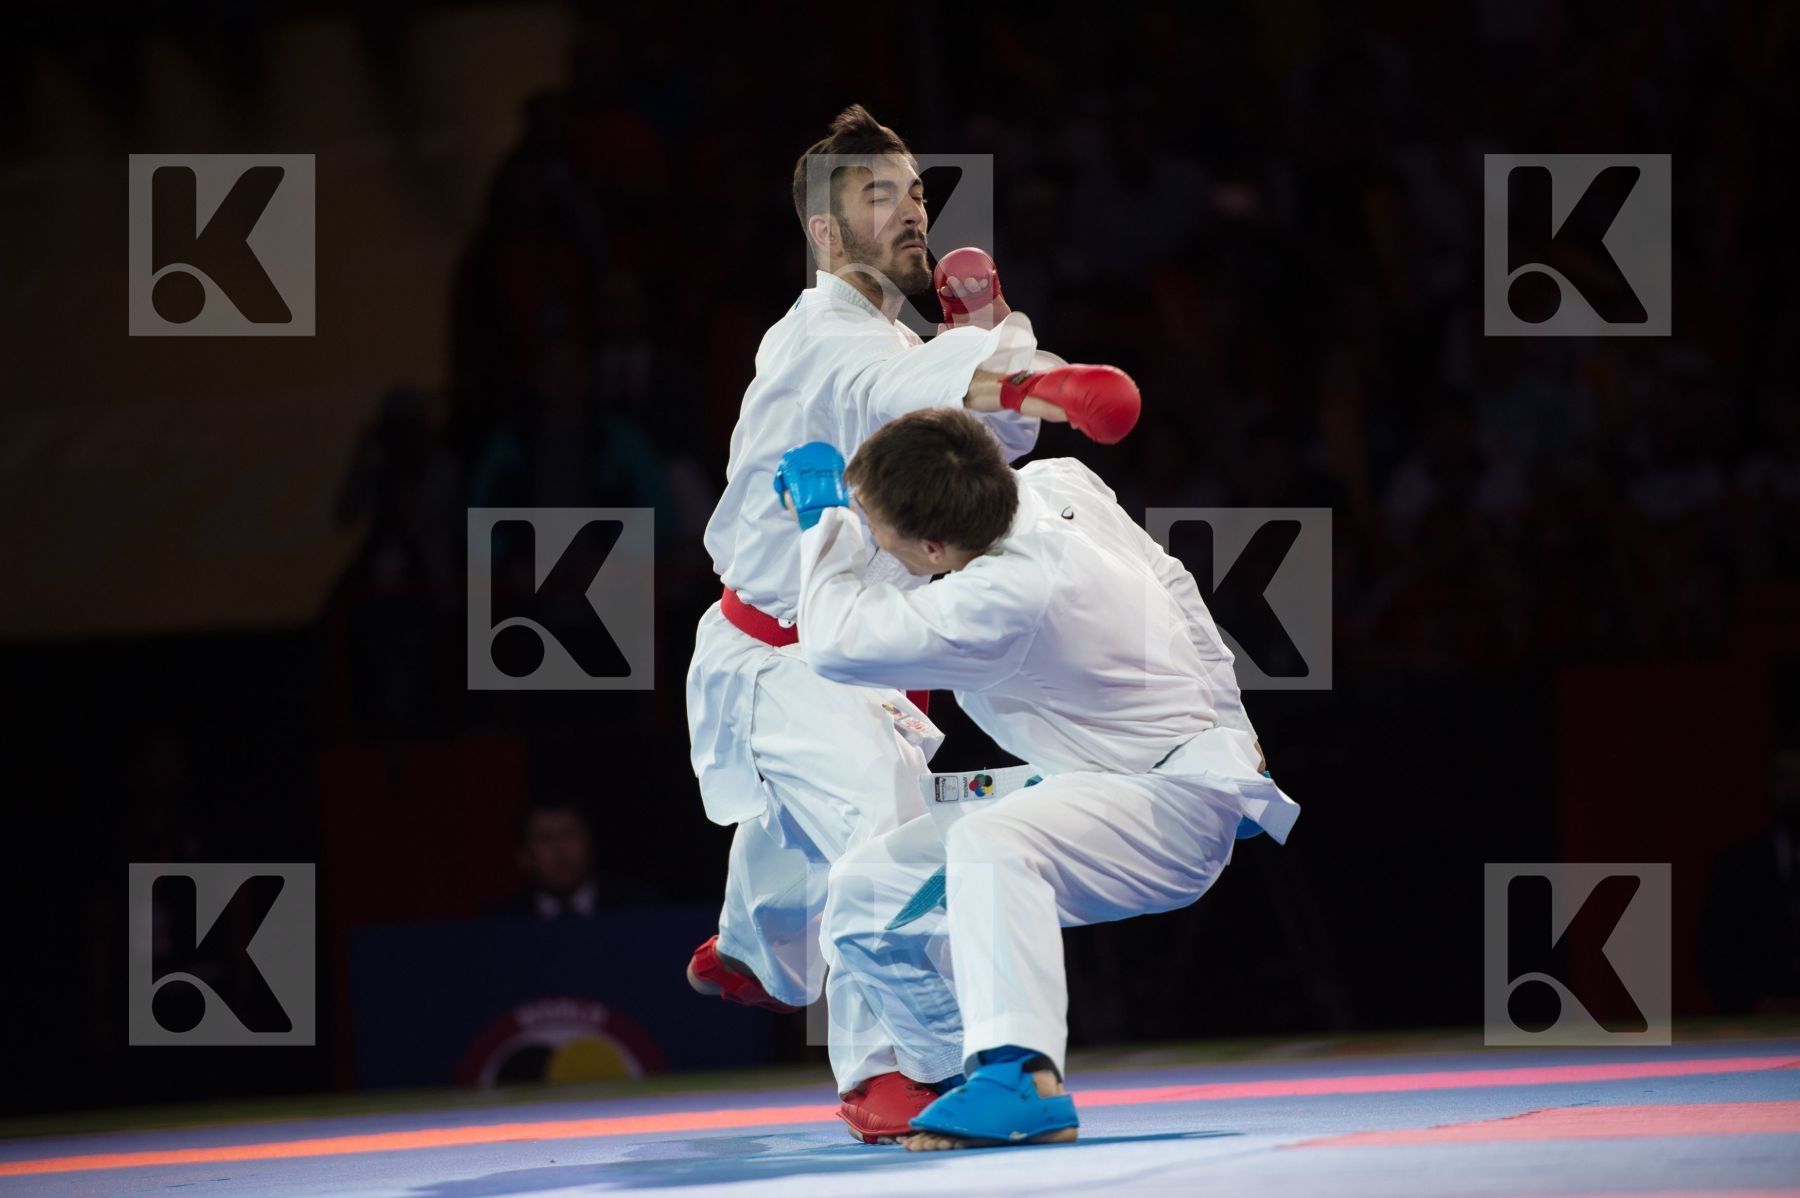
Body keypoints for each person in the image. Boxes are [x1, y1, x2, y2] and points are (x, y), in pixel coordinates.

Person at [683, 104, 1136, 1142]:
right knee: (880, 841)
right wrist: (1030, 372)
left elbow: (973, 443)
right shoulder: (817, 345)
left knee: (818, 819)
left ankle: (758, 943)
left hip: (861, 648)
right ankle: (895, 1071)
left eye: (917, 194)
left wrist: (998, 352)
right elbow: (901, 385)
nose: (910, 214)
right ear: (826, 234)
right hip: (782, 657)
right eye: (878, 198)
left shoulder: (898, 338)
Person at [772, 408, 1300, 1149]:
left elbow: (836, 644)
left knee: (994, 843)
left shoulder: (998, 600)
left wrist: (823, 522)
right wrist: (1237, 733)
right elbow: (1174, 582)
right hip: (1096, 779)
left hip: (1167, 806)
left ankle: (1024, 1076)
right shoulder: (1058, 480)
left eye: (876, 525)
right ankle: (951, 1074)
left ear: (932, 546)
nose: (867, 530)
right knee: (863, 896)